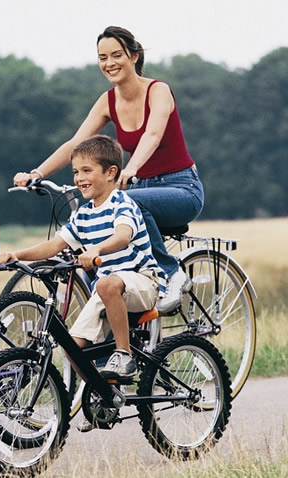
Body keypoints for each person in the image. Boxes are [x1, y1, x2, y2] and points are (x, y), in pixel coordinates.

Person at [12, 26, 203, 313]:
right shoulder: (108, 101)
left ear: (134, 56)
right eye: (103, 57)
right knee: (103, 234)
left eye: (116, 55)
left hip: (181, 188)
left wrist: (131, 168)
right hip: (139, 189)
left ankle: (171, 273)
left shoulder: (158, 90)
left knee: (129, 202)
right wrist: (37, 174)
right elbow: (76, 144)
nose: (109, 63)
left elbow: (152, 135)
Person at [0, 134, 166, 379]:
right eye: (76, 172)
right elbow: (54, 245)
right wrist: (17, 255)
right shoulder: (84, 215)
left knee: (106, 282)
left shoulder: (122, 204)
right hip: (107, 289)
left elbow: (123, 235)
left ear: (110, 173)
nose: (79, 178)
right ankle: (102, 398)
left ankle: (124, 354)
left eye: (87, 170)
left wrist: (96, 249)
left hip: (142, 280)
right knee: (72, 348)